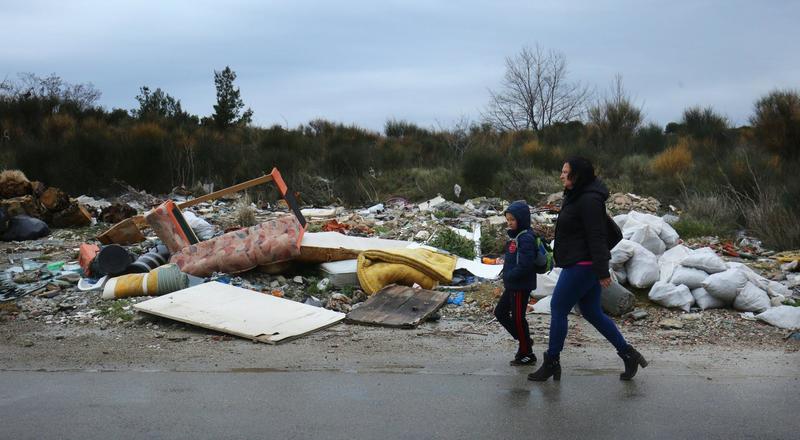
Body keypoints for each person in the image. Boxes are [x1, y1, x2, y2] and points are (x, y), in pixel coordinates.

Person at [528, 157, 647, 381]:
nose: (561, 176)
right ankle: (629, 354)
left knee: (558, 308)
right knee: (592, 312)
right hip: (582, 264)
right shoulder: (578, 195)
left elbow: (597, 236)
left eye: (565, 172)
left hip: (582, 266)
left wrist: (602, 271)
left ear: (577, 175)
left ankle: (552, 362)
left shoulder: (589, 200)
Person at [495, 200, 537, 366]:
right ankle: (525, 340)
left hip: (520, 285)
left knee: (519, 319)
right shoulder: (516, 237)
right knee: (500, 312)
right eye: (508, 220)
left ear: (522, 219)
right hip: (513, 285)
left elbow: (525, 265)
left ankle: (527, 353)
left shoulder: (526, 238)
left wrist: (510, 276)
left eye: (513, 219)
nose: (510, 222)